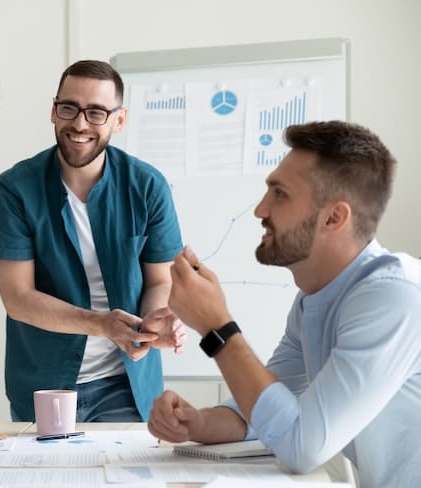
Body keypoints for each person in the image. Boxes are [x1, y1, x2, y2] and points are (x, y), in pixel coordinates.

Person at [149, 121, 421, 487]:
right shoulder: (315, 300)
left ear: (334, 218)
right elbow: (266, 407)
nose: (260, 210)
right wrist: (198, 422)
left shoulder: (393, 298)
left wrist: (217, 326)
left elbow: (300, 445)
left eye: (279, 194)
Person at [0, 60, 186, 423]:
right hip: (44, 386)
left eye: (96, 112)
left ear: (118, 120)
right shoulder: (13, 191)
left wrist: (151, 323)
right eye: (69, 108)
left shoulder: (148, 186)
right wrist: (101, 324)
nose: (79, 123)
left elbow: (161, 280)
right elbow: (19, 300)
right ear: (53, 111)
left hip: (126, 383)